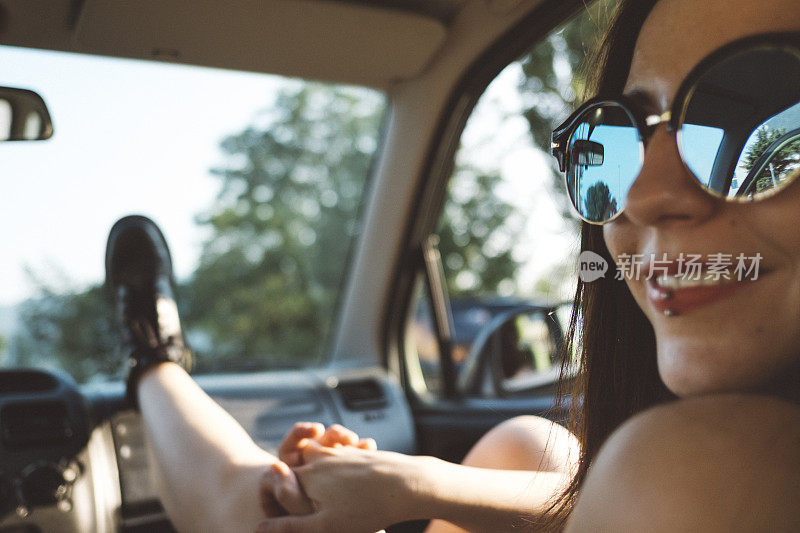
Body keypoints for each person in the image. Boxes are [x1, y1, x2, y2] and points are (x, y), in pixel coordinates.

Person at [111, 0, 800, 530]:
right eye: (619, 133)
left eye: (759, 124)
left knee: (263, 506)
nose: (641, 196)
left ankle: (151, 359)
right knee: (528, 445)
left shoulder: (710, 472)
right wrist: (411, 481)